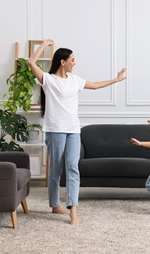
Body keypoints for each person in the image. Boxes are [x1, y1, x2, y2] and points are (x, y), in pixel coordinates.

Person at [27, 39, 127, 225]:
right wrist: (44, 46)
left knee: (73, 167)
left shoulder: (75, 80)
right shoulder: (48, 80)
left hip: (73, 130)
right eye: (72, 59)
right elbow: (31, 63)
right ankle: (55, 205)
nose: (75, 62)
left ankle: (73, 209)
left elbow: (95, 85)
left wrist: (116, 79)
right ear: (62, 62)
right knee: (56, 169)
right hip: (55, 130)